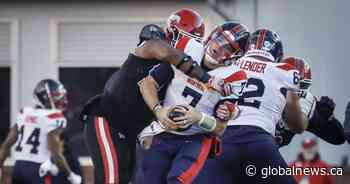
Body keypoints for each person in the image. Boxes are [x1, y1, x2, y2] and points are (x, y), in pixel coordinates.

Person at [80, 9, 233, 184]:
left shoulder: (177, 71)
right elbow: (167, 53)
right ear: (172, 32)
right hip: (107, 118)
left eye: (195, 41)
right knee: (112, 180)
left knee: (126, 179)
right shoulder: (154, 46)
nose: (190, 45)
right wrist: (207, 78)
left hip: (129, 130)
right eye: (187, 39)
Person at [136, 22, 249, 184]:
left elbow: (220, 129)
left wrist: (198, 117)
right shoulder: (188, 48)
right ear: (211, 35)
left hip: (195, 138)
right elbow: (147, 84)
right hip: (163, 132)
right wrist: (158, 110)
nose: (218, 48)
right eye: (219, 39)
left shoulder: (234, 77)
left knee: (178, 181)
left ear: (236, 56)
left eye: (228, 47)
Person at [194, 29, 307, 184]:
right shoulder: (286, 72)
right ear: (277, 54)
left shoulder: (221, 71)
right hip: (260, 142)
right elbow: (297, 126)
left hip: (223, 142)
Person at [0, 79, 81, 184]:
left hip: (18, 168)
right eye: (56, 96)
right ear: (44, 98)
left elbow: (7, 144)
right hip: (38, 169)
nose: (61, 100)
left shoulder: (24, 113)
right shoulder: (54, 118)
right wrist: (70, 175)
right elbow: (56, 153)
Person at [275, 57, 346, 147]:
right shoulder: (265, 95)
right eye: (291, 84)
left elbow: (338, 138)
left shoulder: (304, 105)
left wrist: (328, 118)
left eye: (301, 86)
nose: (295, 90)